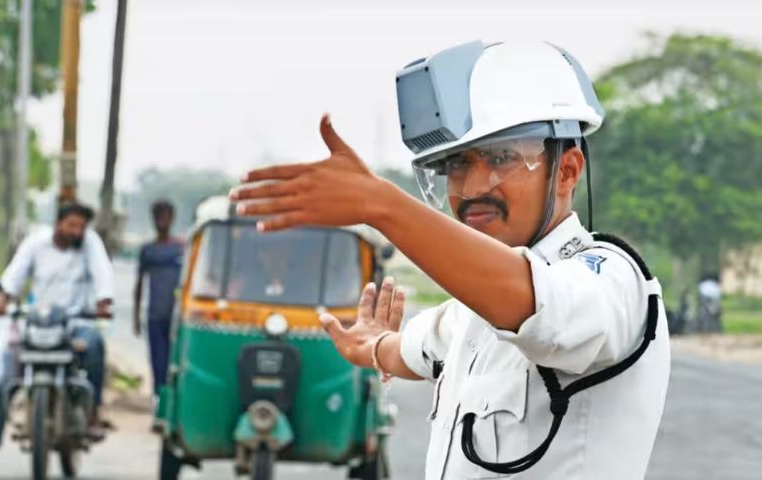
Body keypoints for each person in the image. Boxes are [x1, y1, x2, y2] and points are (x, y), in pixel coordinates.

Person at [230, 40, 671, 479]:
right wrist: (373, 347)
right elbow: (416, 348)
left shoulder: (614, 280)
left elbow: (535, 305)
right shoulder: (468, 314)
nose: (473, 187)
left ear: (569, 170)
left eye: (501, 158)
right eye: (456, 165)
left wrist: (381, 205)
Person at [0, 203, 114, 478]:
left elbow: (103, 272)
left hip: (75, 323)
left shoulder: (89, 244)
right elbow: (15, 275)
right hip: (36, 322)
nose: (76, 231)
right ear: (58, 223)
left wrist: (104, 301)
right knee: (6, 381)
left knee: (94, 344)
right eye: (71, 225)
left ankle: (92, 413)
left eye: (81, 226)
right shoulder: (37, 243)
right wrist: (3, 300)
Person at [134, 200, 184, 397]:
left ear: (172, 219)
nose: (161, 222)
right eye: (158, 217)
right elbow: (139, 284)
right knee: (157, 361)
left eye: (165, 217)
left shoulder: (182, 248)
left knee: (176, 361)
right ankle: (159, 402)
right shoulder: (148, 250)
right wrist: (135, 317)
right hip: (155, 315)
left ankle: (174, 402)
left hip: (178, 316)